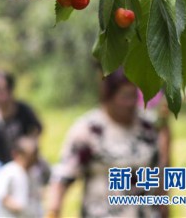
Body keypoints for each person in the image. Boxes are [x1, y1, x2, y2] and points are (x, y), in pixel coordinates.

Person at [47, 68, 165, 218]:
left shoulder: (148, 127)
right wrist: (53, 211)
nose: (130, 103)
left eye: (133, 96)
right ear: (108, 97)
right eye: (125, 96)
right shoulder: (89, 130)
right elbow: (63, 177)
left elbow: (159, 172)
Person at [0, 72, 43, 189]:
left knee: (36, 173)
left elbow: (37, 128)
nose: (3, 94)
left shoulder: (23, 110)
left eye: (6, 89)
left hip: (23, 159)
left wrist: (30, 145)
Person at [0, 136, 46, 218]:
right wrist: (17, 206)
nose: (32, 162)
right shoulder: (10, 171)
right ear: (17, 155)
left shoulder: (34, 173)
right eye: (29, 158)